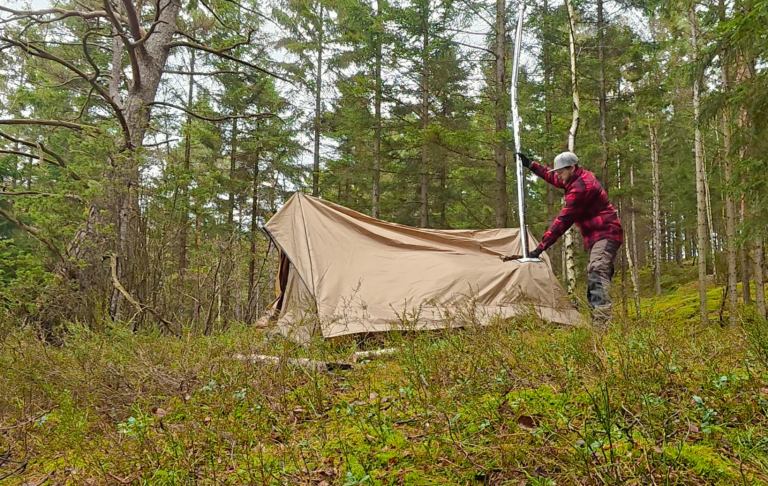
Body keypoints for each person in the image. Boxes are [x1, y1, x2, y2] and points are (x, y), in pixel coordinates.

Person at [516, 151, 623, 328]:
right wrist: (531, 165)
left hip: (607, 233)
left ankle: (603, 325)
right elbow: (555, 178)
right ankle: (599, 321)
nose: (557, 175)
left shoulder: (582, 188)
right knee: (595, 274)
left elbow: (563, 221)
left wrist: (540, 248)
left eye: (560, 171)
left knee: (597, 270)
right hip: (598, 235)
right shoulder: (574, 178)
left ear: (572, 168)